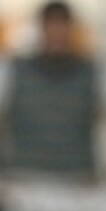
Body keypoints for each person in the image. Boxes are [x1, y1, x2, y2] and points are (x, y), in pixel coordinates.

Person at [0, 1, 100, 182]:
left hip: (77, 182)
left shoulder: (93, 73)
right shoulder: (13, 71)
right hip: (24, 181)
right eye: (51, 26)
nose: (57, 34)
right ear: (41, 29)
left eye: (62, 26)